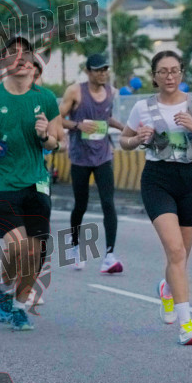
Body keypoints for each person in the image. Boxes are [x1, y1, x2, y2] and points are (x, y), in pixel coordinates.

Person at [120, 50, 192, 345]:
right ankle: (187, 325)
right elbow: (124, 140)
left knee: (181, 257)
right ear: (154, 76)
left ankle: (167, 287)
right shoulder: (142, 107)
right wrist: (137, 139)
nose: (169, 76)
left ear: (181, 73)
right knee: (175, 251)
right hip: (157, 180)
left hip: (188, 181)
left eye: (174, 70)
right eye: (162, 71)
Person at [0, 36, 61, 331]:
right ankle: (5, 289)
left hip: (36, 183)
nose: (20, 58)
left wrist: (45, 135)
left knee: (36, 251)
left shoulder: (46, 98)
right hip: (2, 183)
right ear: (4, 62)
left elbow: (56, 142)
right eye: (12, 53)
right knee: (17, 246)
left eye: (25, 53)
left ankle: (19, 306)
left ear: (32, 62)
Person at [59, 53, 125, 273]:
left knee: (108, 203)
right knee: (81, 204)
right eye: (98, 70)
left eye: (105, 69)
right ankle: (75, 247)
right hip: (80, 157)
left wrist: (125, 128)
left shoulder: (111, 92)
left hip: (103, 155)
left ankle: (109, 255)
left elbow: (106, 118)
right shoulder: (75, 91)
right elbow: (57, 118)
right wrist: (78, 126)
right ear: (88, 72)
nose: (103, 73)